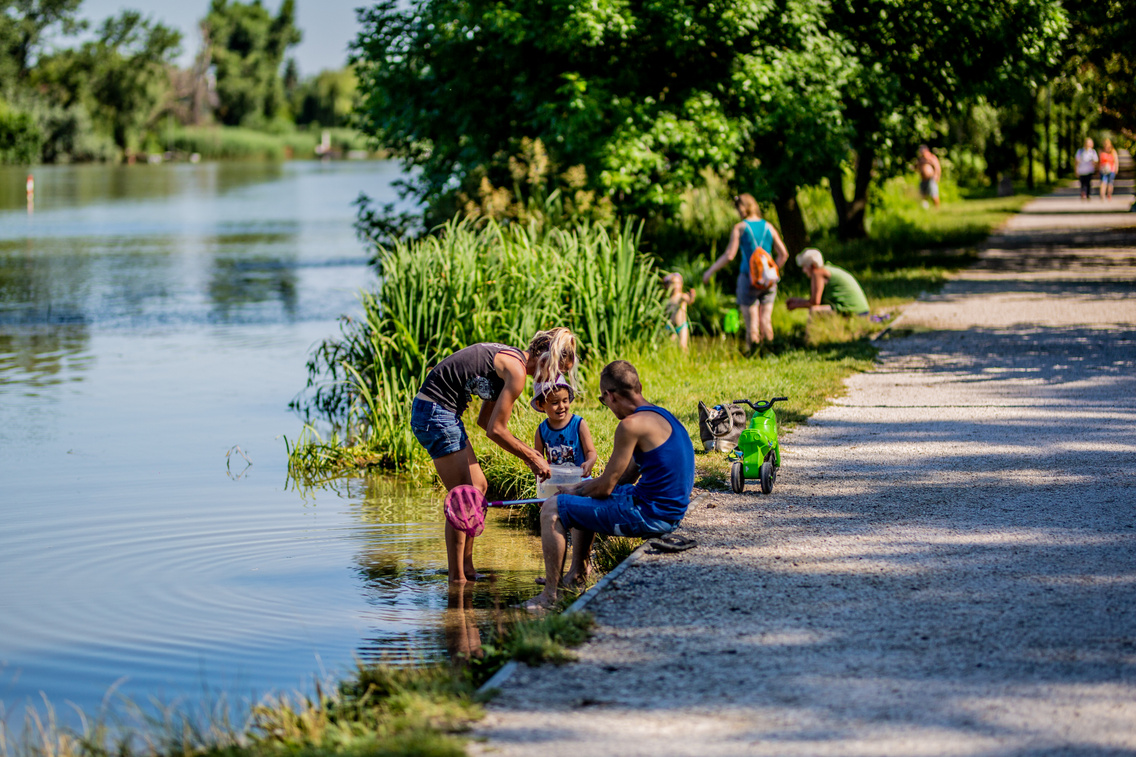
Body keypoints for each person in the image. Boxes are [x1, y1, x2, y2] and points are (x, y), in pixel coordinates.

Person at [523, 360, 695, 610]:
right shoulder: (661, 416)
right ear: (639, 387)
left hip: (652, 515)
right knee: (577, 500)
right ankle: (577, 575)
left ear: (610, 396)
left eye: (604, 401)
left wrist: (574, 490)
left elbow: (604, 489)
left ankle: (549, 597)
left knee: (552, 508)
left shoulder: (629, 425)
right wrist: (582, 489)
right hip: (669, 510)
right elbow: (624, 478)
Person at [411, 328, 578, 583]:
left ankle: (467, 568)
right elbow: (496, 429)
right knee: (464, 496)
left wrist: (529, 452)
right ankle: (457, 580)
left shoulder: (512, 362)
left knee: (478, 486)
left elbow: (485, 421)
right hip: (434, 412)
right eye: (557, 370)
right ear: (545, 359)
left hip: (440, 412)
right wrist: (531, 457)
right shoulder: (517, 371)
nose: (554, 379)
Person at [701, 194, 789, 356]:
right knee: (765, 320)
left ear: (743, 208)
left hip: (748, 279)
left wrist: (710, 271)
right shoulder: (768, 226)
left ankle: (753, 355)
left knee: (752, 322)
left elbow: (729, 255)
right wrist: (770, 271)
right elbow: (784, 254)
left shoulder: (740, 228)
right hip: (769, 281)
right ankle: (769, 353)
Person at [532, 375, 597, 476]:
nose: (561, 406)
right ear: (540, 405)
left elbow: (590, 451)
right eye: (555, 403)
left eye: (565, 401)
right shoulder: (542, 430)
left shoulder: (578, 424)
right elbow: (538, 459)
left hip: (579, 479)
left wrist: (589, 462)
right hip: (555, 481)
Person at [786, 248, 870, 316]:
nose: (803, 270)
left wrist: (796, 305)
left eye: (804, 266)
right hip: (862, 310)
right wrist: (798, 301)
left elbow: (815, 303)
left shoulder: (817, 273)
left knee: (815, 311)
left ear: (813, 266)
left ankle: (811, 336)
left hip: (853, 311)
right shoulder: (826, 269)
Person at [662, 272, 697, 351]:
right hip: (670, 327)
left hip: (681, 327)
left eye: (678, 283)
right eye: (673, 283)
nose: (675, 286)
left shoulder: (681, 296)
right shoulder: (667, 299)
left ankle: (685, 361)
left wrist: (691, 297)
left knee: (682, 347)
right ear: (667, 285)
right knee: (669, 347)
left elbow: (688, 300)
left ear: (681, 284)